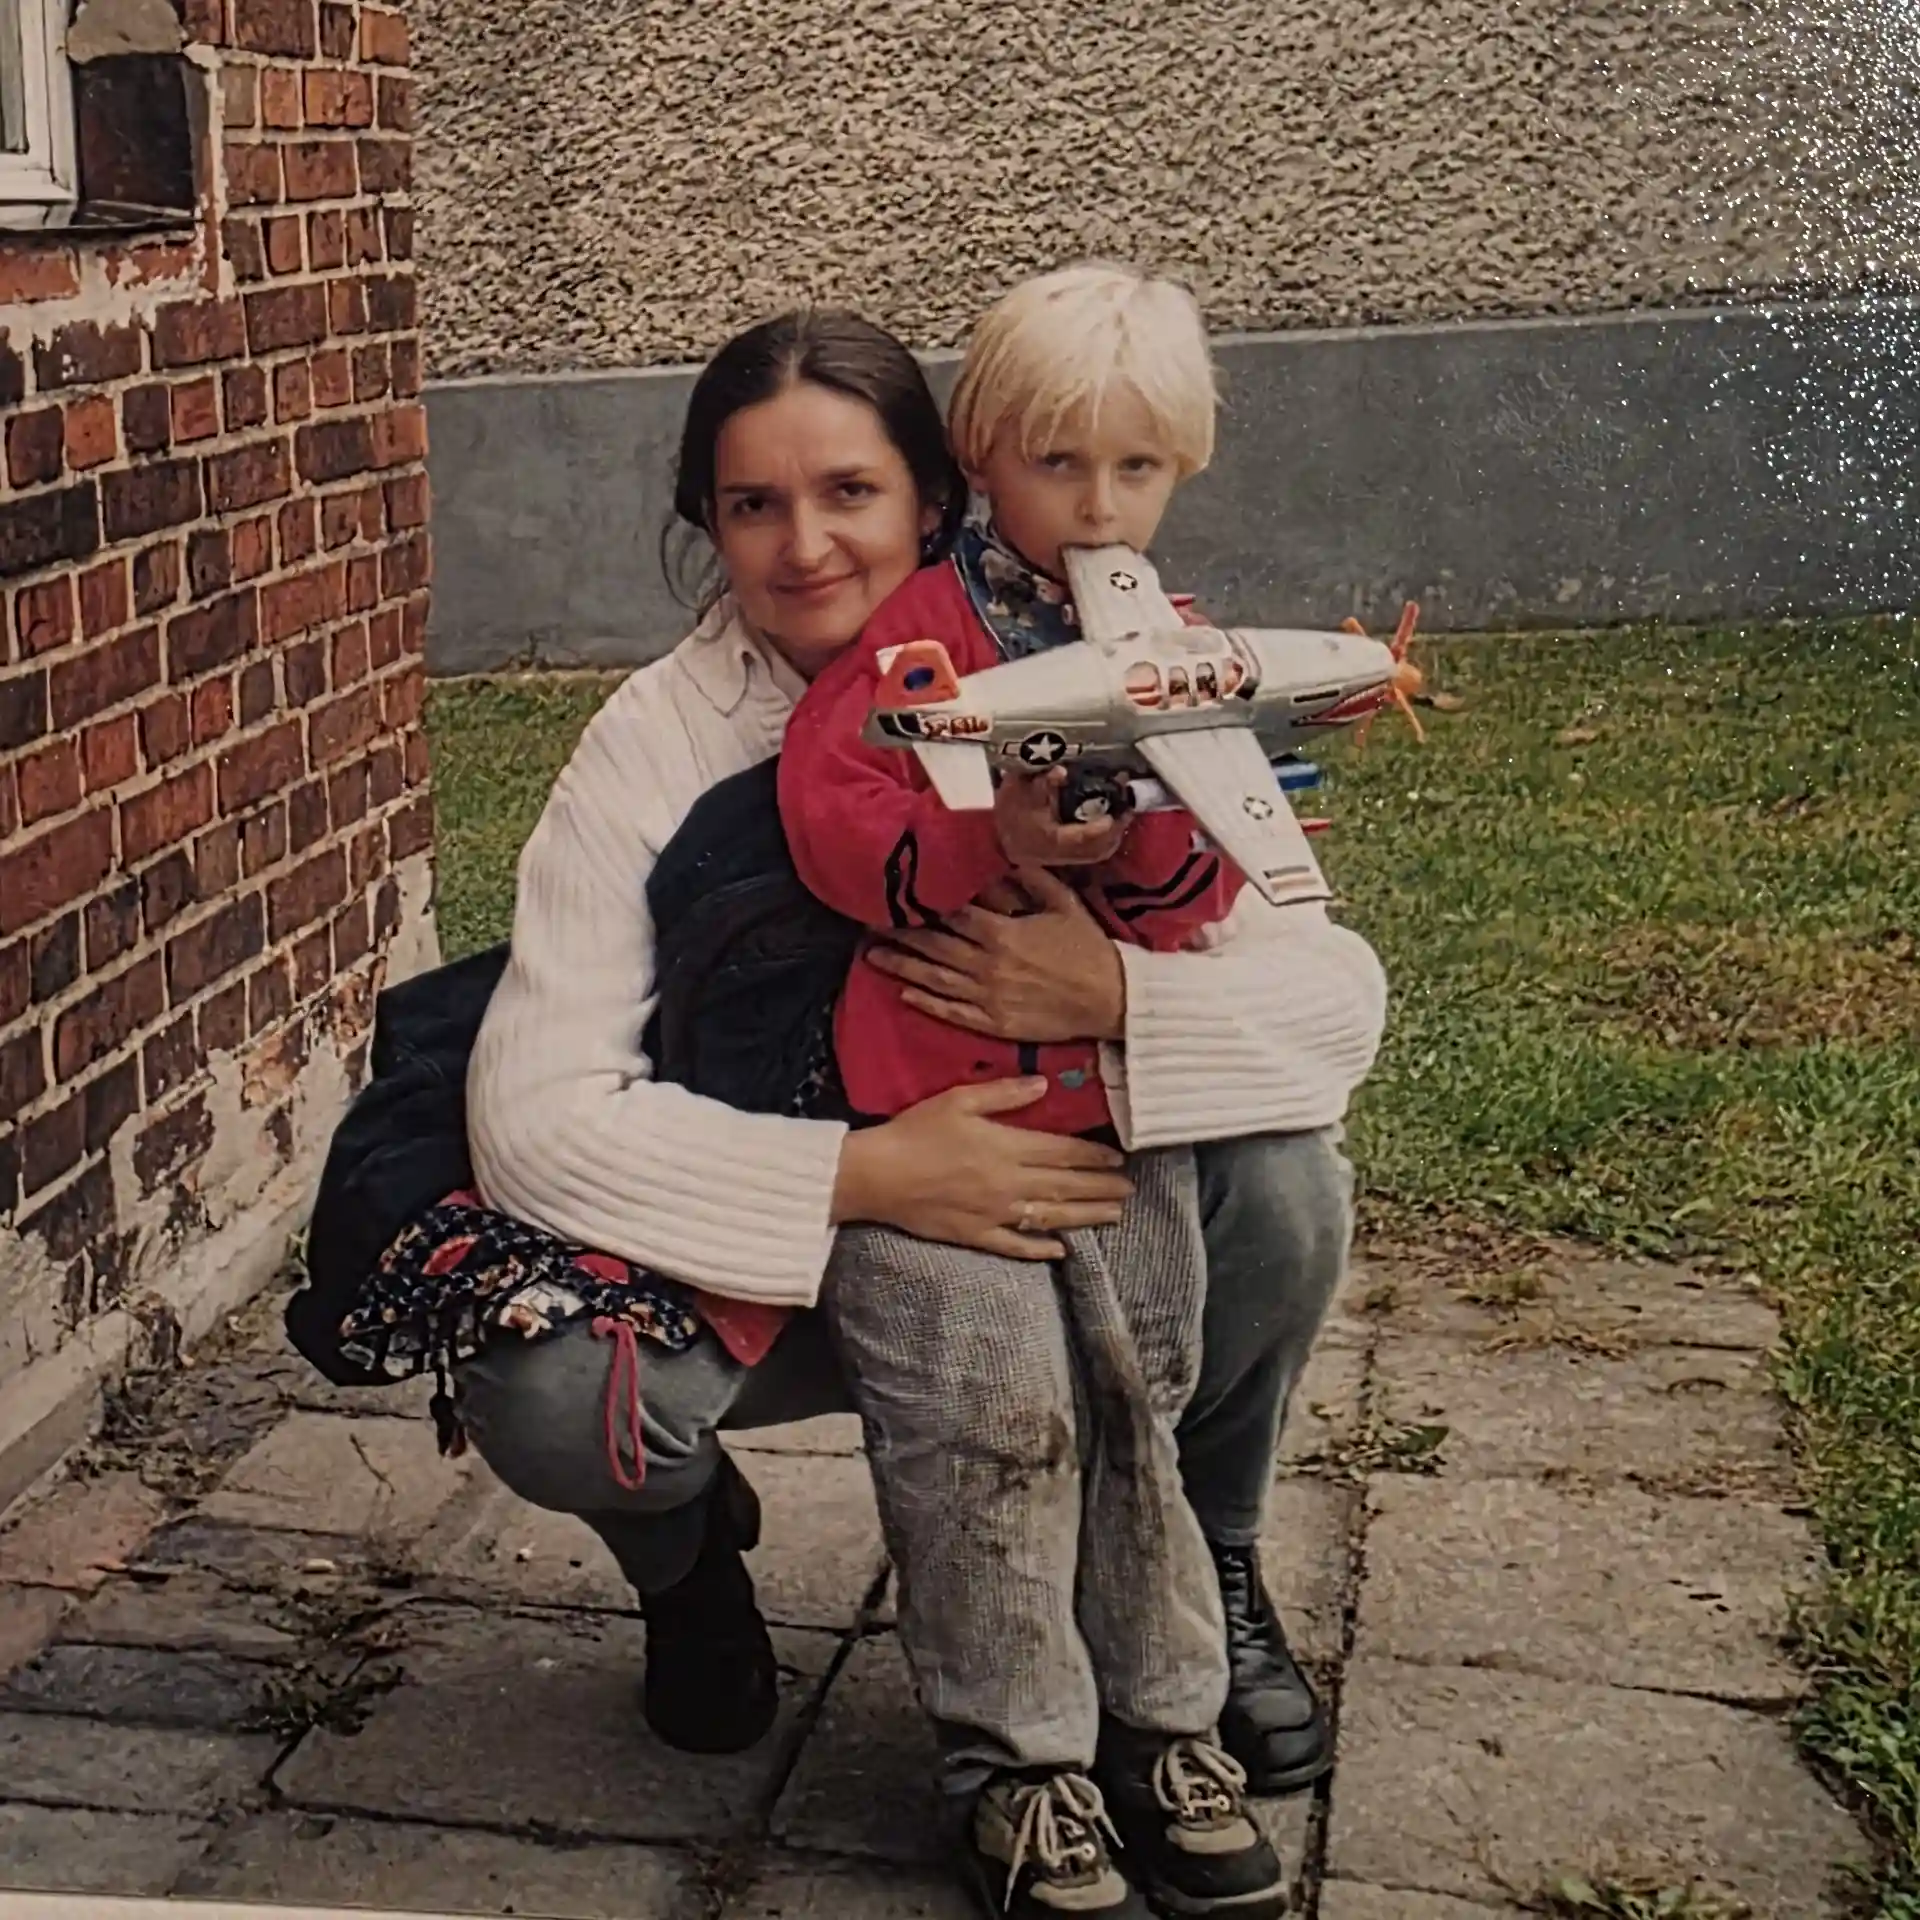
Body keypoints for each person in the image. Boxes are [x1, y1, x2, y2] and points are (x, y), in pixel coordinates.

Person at [427, 308, 1377, 1841]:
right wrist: (869, 1176)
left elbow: (1337, 1005)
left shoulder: (1083, 651)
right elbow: (534, 1122)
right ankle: (688, 1570)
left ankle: (1208, 1560)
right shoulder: (653, 746)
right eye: (753, 504)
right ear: (708, 524)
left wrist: (1114, 992)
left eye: (849, 492)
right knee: (547, 1388)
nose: (804, 545)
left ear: (935, 498)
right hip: (786, 1240)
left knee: (1285, 1181)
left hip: (1043, 1184)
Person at [777, 264, 1281, 1918]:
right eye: (1059, 463)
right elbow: (835, 811)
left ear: (1181, 473)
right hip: (934, 1105)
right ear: (982, 452)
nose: (1097, 501)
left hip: (1111, 1120)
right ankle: (1020, 1759)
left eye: (1136, 469)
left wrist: (1134, 843)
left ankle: (1165, 1723)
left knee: (1148, 1399)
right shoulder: (922, 636)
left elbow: (1204, 877)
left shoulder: (1172, 643)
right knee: (989, 1417)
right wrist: (991, 836)